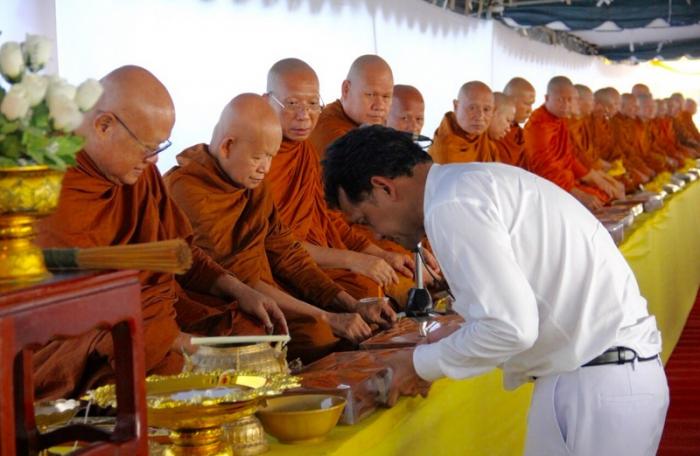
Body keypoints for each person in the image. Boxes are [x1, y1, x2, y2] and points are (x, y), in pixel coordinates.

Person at [321, 125, 669, 456]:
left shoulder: (451, 205)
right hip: (589, 374)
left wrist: (418, 365)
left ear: (383, 187)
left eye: (366, 220)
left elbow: (508, 328)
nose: (377, 236)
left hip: (598, 383)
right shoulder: (467, 185)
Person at [33, 66, 286, 400]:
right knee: (145, 358)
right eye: (146, 147)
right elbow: (64, 308)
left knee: (249, 331)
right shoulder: (43, 188)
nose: (153, 160)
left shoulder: (138, 174)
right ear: (103, 125)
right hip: (80, 337)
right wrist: (171, 339)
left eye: (159, 148)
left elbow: (179, 255)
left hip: (155, 319)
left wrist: (240, 290)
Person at [164, 93, 387, 362]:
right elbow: (237, 278)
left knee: (350, 307)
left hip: (263, 289)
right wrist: (326, 316)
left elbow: (287, 252)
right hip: (219, 300)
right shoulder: (190, 190)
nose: (265, 169)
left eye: (270, 157)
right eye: (259, 157)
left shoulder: (251, 183)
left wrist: (351, 305)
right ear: (227, 147)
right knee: (317, 333)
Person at [263, 57, 420, 305]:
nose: (304, 116)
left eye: (313, 103)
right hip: (283, 265)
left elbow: (328, 218)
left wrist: (383, 255)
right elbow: (273, 244)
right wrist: (358, 259)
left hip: (325, 248)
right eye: (292, 103)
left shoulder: (304, 151)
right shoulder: (267, 155)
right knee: (375, 290)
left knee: (409, 269)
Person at [523, 76, 615, 210]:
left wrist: (597, 179)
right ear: (547, 98)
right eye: (560, 100)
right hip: (549, 188)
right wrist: (579, 194)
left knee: (605, 194)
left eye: (570, 100)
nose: (566, 105)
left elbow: (569, 157)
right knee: (597, 200)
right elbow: (545, 169)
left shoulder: (560, 121)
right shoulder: (539, 125)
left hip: (566, 182)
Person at [309, 54, 394, 159]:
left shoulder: (363, 126)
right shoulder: (335, 135)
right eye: (370, 95)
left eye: (386, 97)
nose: (380, 106)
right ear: (346, 89)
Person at [430, 81, 497, 164]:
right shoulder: (445, 147)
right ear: (456, 106)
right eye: (472, 108)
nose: (480, 116)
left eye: (486, 109)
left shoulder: (485, 136)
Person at [501, 77, 536, 168]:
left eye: (532, 104)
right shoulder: (492, 132)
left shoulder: (519, 134)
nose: (530, 111)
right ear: (510, 100)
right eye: (527, 104)